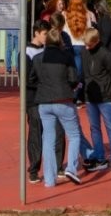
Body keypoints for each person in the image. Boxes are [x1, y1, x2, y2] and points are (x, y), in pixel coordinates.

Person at [30, 27, 84, 188]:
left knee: (48, 139)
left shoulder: (38, 58)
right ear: (60, 41)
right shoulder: (67, 56)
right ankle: (71, 168)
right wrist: (71, 86)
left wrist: (44, 85)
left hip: (44, 101)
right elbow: (74, 78)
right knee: (74, 135)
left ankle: (49, 179)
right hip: (63, 99)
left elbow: (31, 78)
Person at [81, 27, 111, 173]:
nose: (87, 47)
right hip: (90, 95)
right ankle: (100, 157)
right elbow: (84, 72)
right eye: (86, 44)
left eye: (89, 44)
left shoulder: (105, 54)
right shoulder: (85, 52)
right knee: (95, 128)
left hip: (104, 96)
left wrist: (110, 88)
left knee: (110, 127)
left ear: (97, 41)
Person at [25, 20, 65, 184]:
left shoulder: (49, 51)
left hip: (51, 98)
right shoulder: (26, 52)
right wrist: (46, 83)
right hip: (34, 100)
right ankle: (34, 169)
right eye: (44, 34)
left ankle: (58, 165)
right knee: (36, 133)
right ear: (36, 33)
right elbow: (27, 79)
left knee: (58, 131)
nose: (46, 37)